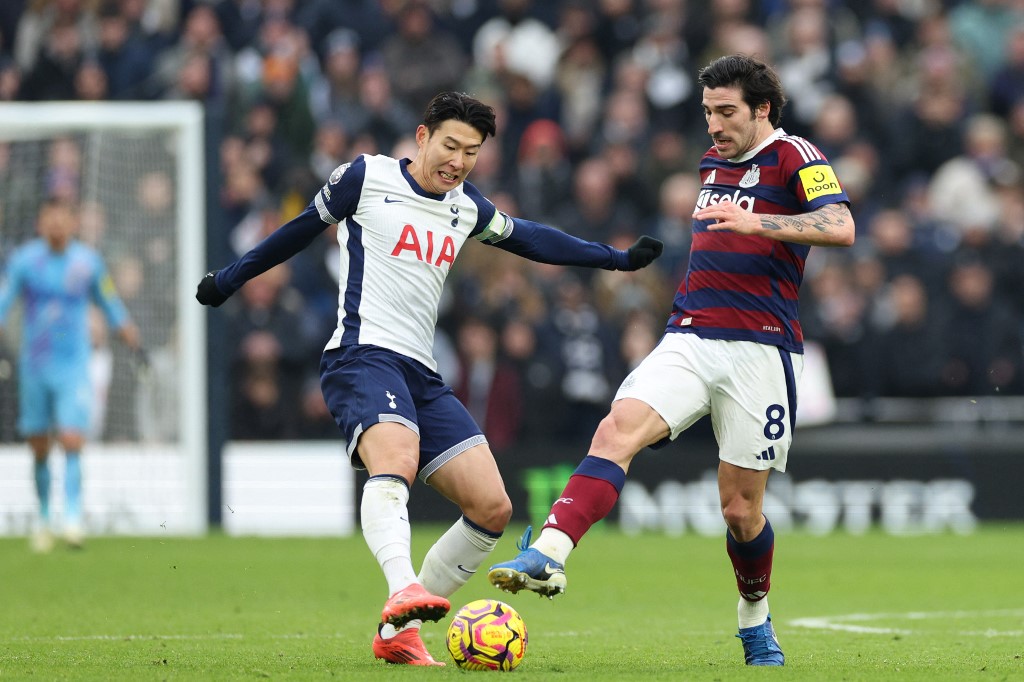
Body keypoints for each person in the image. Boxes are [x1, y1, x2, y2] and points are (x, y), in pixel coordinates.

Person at [195, 91, 664, 666]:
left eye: (471, 152)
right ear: (421, 137)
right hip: (362, 354)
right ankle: (402, 589)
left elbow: (535, 240)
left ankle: (399, 633)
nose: (458, 162)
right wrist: (230, 280)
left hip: (421, 373)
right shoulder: (365, 177)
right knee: (396, 460)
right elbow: (296, 231)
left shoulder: (466, 207)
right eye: (450, 146)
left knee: (492, 507)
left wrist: (614, 259)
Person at [488, 54, 855, 667]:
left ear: (762, 109)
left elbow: (841, 225)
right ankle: (548, 553)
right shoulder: (713, 160)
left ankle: (754, 618)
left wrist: (757, 221)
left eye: (727, 111)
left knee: (741, 512)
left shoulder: (798, 156)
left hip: (759, 349)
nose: (713, 124)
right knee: (616, 430)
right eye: (707, 110)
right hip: (688, 335)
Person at [0, 198, 142, 552]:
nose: (56, 225)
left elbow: (107, 298)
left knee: (72, 438)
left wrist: (124, 327)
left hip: (74, 364)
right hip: (34, 364)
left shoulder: (87, 262)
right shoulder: (25, 261)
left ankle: (73, 519)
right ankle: (45, 518)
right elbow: (5, 301)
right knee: (39, 446)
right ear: (40, 223)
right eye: (50, 219)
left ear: (73, 223)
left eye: (63, 219)